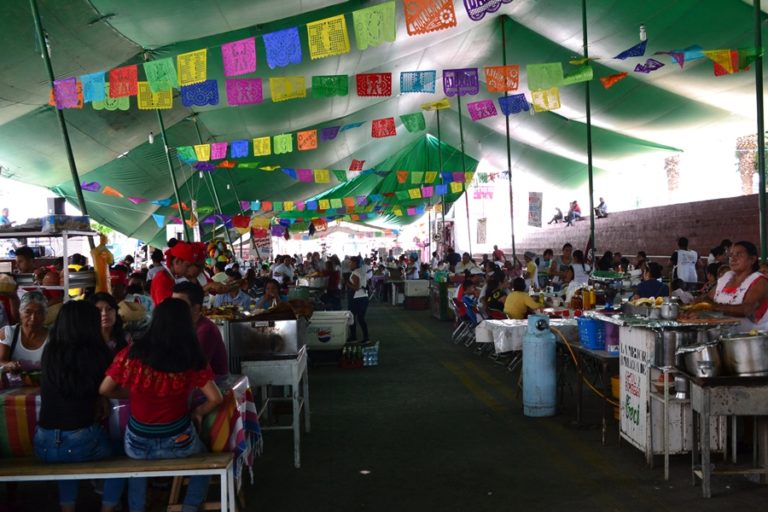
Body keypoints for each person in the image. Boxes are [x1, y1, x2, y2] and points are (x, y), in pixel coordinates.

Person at [99, 299, 223, 512]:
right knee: (205, 461)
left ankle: (137, 509)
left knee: (136, 466)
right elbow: (216, 398)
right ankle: (189, 507)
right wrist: (198, 412)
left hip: (137, 443)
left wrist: (134, 393)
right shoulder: (191, 356)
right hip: (180, 441)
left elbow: (105, 389)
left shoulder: (132, 353)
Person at [33, 301, 125, 512]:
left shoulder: (50, 351)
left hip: (43, 442)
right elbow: (110, 387)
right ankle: (108, 508)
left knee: (67, 459)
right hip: (80, 442)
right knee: (122, 455)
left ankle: (67, 507)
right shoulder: (96, 353)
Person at [695, 241, 768, 331]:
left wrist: (714, 307)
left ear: (752, 259)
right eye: (731, 255)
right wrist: (696, 306)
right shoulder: (726, 277)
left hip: (750, 337)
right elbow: (708, 298)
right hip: (721, 334)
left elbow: (748, 309)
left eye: (739, 255)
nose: (733, 258)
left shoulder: (760, 281)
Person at [173, 282, 229, 377]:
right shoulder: (182, 325)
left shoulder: (206, 330)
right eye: (172, 304)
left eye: (180, 305)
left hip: (217, 381)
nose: (173, 308)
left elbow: (194, 368)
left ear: (196, 308)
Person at [0, 291, 49, 372]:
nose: (33, 318)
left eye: (39, 313)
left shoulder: (53, 337)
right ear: (20, 312)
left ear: (45, 315)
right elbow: (1, 361)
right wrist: (8, 364)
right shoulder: (9, 333)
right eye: (28, 312)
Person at [150, 241, 196, 305]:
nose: (189, 271)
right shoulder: (162, 280)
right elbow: (166, 309)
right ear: (177, 261)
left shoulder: (168, 277)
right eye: (187, 266)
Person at [348, 256, 369, 342]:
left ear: (355, 263)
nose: (349, 264)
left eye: (351, 262)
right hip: (364, 296)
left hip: (357, 297)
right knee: (361, 318)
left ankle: (353, 337)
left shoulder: (355, 273)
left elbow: (356, 287)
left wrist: (347, 284)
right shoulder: (362, 270)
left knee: (352, 317)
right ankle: (366, 337)